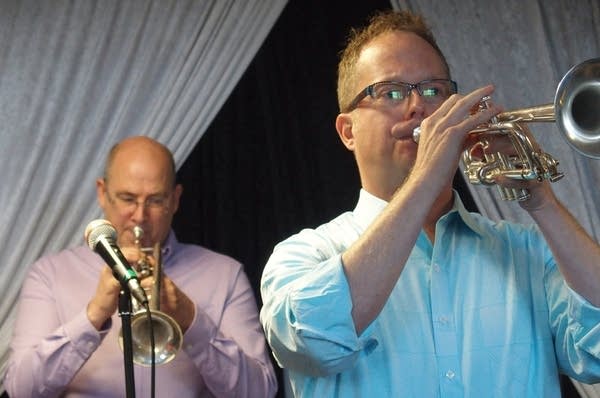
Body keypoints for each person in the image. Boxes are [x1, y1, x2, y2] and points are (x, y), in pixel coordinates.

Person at [259, 9, 600, 397]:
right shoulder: (304, 255)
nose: (417, 107)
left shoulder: (525, 250)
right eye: (390, 92)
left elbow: (596, 353)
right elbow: (315, 344)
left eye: (434, 90)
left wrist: (541, 200)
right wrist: (425, 178)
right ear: (348, 131)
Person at [4, 136, 277, 397]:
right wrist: (93, 315)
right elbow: (21, 389)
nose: (139, 216)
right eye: (127, 198)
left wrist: (191, 319)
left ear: (175, 199)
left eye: (155, 200)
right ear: (102, 193)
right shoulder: (50, 274)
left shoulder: (225, 275)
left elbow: (260, 391)